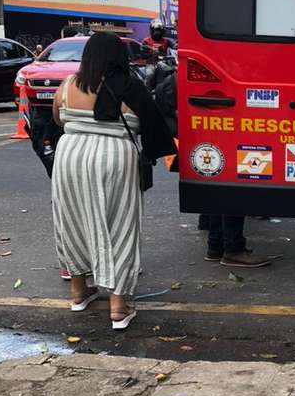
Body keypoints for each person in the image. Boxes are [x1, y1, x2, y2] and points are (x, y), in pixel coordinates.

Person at [51, 32, 175, 329]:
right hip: (114, 157)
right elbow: (152, 125)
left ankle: (79, 292)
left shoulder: (68, 85)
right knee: (120, 226)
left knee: (72, 222)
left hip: (70, 155)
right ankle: (119, 305)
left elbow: (58, 119)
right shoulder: (131, 86)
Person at [153, 66, 269, 268]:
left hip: (202, 138)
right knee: (234, 189)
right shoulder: (224, 72)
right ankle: (233, 248)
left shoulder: (184, 75)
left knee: (217, 188)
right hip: (221, 135)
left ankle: (216, 245)